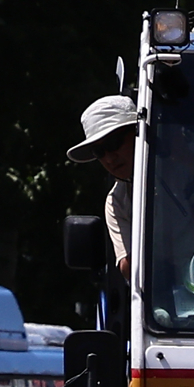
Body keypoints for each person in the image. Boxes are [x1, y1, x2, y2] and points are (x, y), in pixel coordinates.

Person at [70, 95, 140, 328]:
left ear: (138, 133)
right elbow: (130, 268)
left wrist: (182, 157)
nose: (109, 158)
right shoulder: (117, 201)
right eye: (99, 152)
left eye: (114, 144)